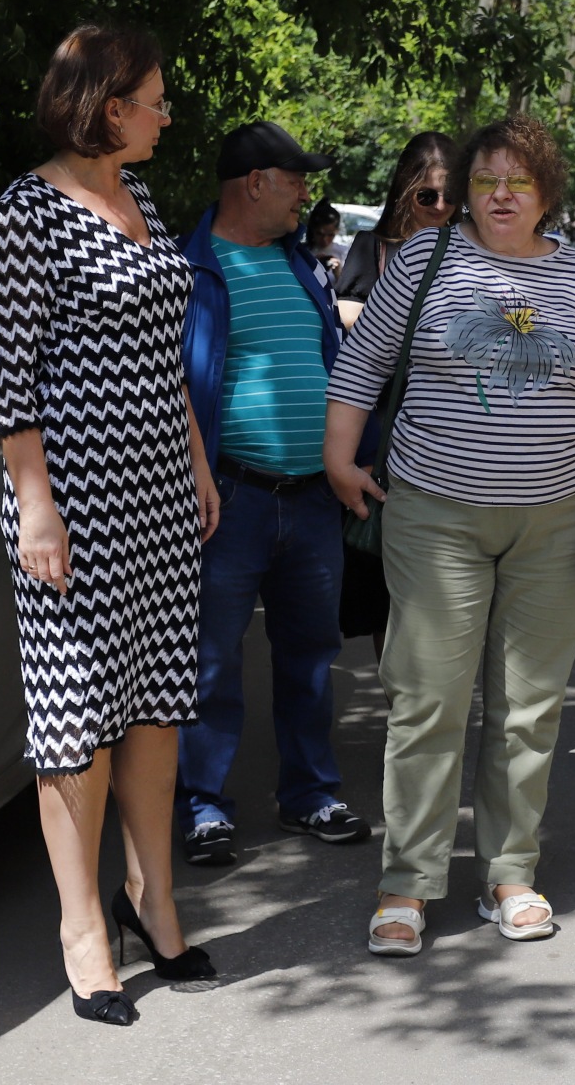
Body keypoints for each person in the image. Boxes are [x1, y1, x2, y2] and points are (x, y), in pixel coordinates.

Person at [322, 115, 575, 955]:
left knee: (528, 707)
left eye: (519, 181)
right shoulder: (426, 259)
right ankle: (406, 884)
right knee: (428, 700)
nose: (502, 195)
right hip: (435, 516)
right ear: (466, 187)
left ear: (546, 192)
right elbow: (363, 362)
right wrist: (338, 458)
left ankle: (511, 873)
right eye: (487, 179)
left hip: (557, 520)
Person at [0, 23, 223, 1029]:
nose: (167, 115)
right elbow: (8, 378)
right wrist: (34, 504)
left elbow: (163, 353)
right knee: (76, 720)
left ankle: (152, 898)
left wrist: (195, 462)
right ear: (110, 107)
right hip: (72, 508)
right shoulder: (25, 213)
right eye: (155, 100)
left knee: (156, 703)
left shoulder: (141, 197)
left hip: (158, 495)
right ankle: (84, 930)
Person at [177, 123, 372, 868]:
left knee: (311, 656)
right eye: (295, 180)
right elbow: (172, 385)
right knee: (212, 660)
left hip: (313, 498)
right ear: (255, 182)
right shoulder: (188, 268)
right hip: (231, 498)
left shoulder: (302, 263)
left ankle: (310, 793)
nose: (306, 196)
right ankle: (204, 807)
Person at [335, 131, 458, 329]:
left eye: (451, 194)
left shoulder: (470, 248)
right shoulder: (372, 248)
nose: (440, 206)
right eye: (427, 196)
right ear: (405, 188)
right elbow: (347, 318)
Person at [305, 200, 343, 277]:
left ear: (337, 231)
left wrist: (339, 275)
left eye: (330, 235)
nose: (325, 240)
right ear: (312, 230)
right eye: (319, 234)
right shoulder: (302, 252)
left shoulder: (343, 253)